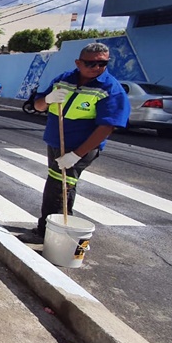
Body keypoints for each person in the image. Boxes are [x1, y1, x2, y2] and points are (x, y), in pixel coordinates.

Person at [25, 42, 130, 241]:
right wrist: (48, 99)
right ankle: (49, 229)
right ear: (78, 62)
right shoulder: (64, 80)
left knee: (62, 187)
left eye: (103, 64)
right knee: (55, 184)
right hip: (56, 143)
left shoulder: (110, 89)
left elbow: (107, 127)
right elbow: (38, 106)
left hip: (81, 147)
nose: (97, 68)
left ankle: (52, 234)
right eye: (91, 64)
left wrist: (76, 155)